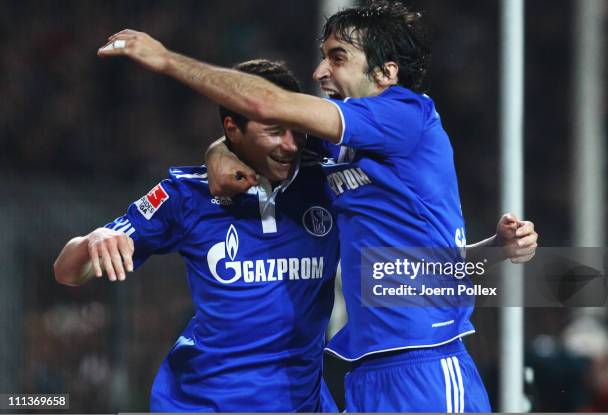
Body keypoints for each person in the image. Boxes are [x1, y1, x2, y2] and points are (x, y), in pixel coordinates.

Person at [95, 1, 538, 411]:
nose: (321, 71)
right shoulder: (338, 149)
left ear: (385, 73)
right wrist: (221, 152)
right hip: (366, 372)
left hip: (428, 363)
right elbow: (261, 136)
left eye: (338, 58)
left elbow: (266, 103)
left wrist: (167, 60)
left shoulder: (407, 116)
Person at [54, 60, 341, 412]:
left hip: (301, 405)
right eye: (273, 130)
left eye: (295, 128)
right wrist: (92, 241)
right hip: (202, 403)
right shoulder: (186, 196)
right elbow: (67, 272)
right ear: (232, 129)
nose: (291, 144)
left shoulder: (329, 181)